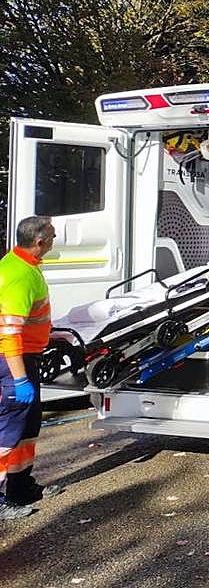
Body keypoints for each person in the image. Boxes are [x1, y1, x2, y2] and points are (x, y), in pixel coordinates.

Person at [0, 216, 63, 519]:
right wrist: (20, 379)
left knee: (27, 425)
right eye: (52, 235)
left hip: (26, 357)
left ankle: (20, 486)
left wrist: (52, 334)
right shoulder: (21, 275)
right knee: (7, 431)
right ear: (40, 242)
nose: (55, 238)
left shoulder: (22, 264)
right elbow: (9, 334)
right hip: (12, 361)